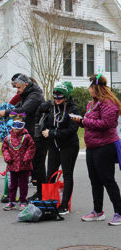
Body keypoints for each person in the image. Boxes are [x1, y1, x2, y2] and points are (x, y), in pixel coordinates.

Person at [72, 74, 121, 225]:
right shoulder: (92, 104)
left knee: (108, 180)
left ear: (95, 88)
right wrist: (80, 122)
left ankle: (119, 212)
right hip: (92, 147)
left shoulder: (109, 103)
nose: (88, 90)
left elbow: (106, 124)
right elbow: (91, 122)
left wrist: (84, 121)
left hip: (105, 146)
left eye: (90, 87)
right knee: (95, 180)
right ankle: (97, 211)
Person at [0, 73, 44, 202]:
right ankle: (38, 192)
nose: (17, 91)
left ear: (26, 85)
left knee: (38, 166)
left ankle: (41, 193)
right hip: (29, 132)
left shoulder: (35, 96)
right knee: (34, 165)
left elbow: (24, 110)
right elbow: (18, 107)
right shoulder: (27, 94)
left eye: (18, 88)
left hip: (37, 134)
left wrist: (7, 112)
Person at [42, 81, 80, 215]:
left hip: (69, 145)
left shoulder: (73, 109)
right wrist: (44, 129)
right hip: (54, 145)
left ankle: (64, 205)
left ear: (67, 97)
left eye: (60, 97)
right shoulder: (52, 107)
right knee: (50, 173)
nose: (57, 99)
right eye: (55, 96)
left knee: (67, 174)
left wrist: (53, 133)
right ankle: (49, 201)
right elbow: (47, 122)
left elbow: (72, 129)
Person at [2, 113, 36, 210]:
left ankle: (22, 201)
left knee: (23, 184)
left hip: (24, 166)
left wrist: (27, 158)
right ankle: (11, 201)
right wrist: (7, 157)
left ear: (23, 126)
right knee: (12, 185)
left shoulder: (27, 137)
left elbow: (32, 147)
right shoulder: (7, 138)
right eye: (14, 125)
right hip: (12, 165)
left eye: (19, 125)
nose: (16, 128)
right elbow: (4, 149)